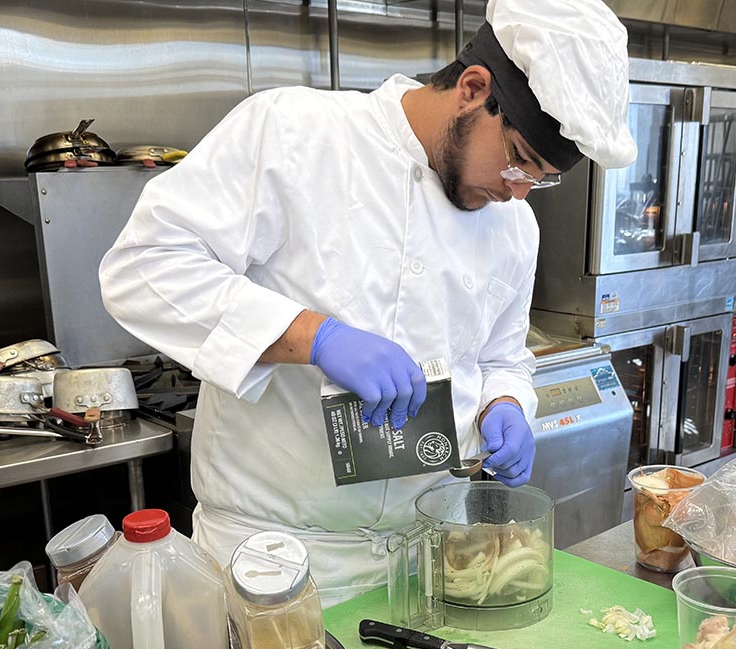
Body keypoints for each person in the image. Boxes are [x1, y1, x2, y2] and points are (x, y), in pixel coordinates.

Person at [99, 0, 636, 607]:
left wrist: (505, 401)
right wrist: (315, 337)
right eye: (518, 159)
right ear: (473, 88)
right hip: (277, 566)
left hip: (432, 559)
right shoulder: (296, 132)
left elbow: (502, 357)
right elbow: (144, 266)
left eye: (538, 180)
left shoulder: (514, 228)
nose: (517, 193)